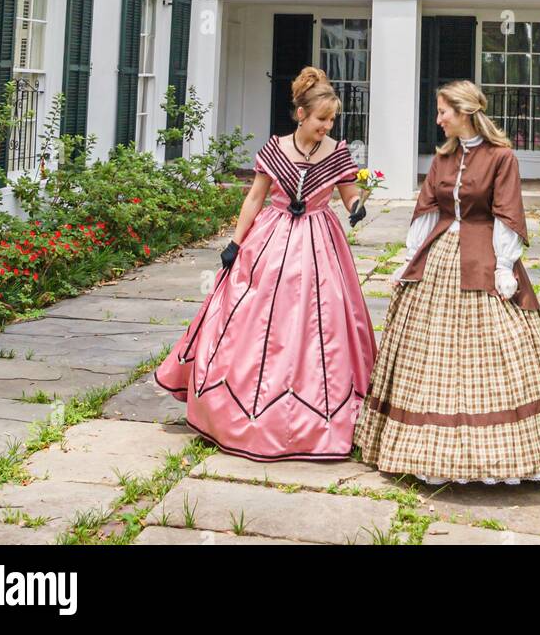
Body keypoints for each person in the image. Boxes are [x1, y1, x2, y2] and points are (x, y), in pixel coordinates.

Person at [354, 79, 540, 486]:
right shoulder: (443, 158)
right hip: (440, 257)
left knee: (502, 341)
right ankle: (426, 451)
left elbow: (507, 212)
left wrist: (504, 267)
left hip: (484, 256)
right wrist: (410, 260)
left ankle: (507, 452)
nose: (438, 118)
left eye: (443, 111)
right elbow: (427, 209)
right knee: (429, 354)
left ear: (464, 112)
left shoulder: (502, 157)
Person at [154, 66, 376, 461]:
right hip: (270, 242)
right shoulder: (275, 149)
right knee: (252, 319)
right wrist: (235, 244)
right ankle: (236, 412)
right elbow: (255, 199)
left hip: (319, 241)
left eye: (332, 120)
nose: (327, 126)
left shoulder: (337, 152)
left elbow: (349, 192)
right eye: (322, 119)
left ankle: (322, 414)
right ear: (301, 114)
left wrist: (357, 206)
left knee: (320, 319)